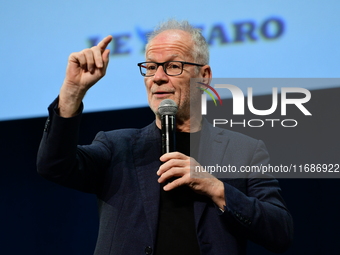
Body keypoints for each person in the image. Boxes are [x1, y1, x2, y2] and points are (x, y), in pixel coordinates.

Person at [37, 20, 293, 255]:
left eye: (173, 66)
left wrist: (216, 188)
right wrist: (72, 91)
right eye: (150, 67)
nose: (158, 77)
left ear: (204, 76)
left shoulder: (244, 150)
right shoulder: (116, 146)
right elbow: (54, 165)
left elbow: (280, 231)